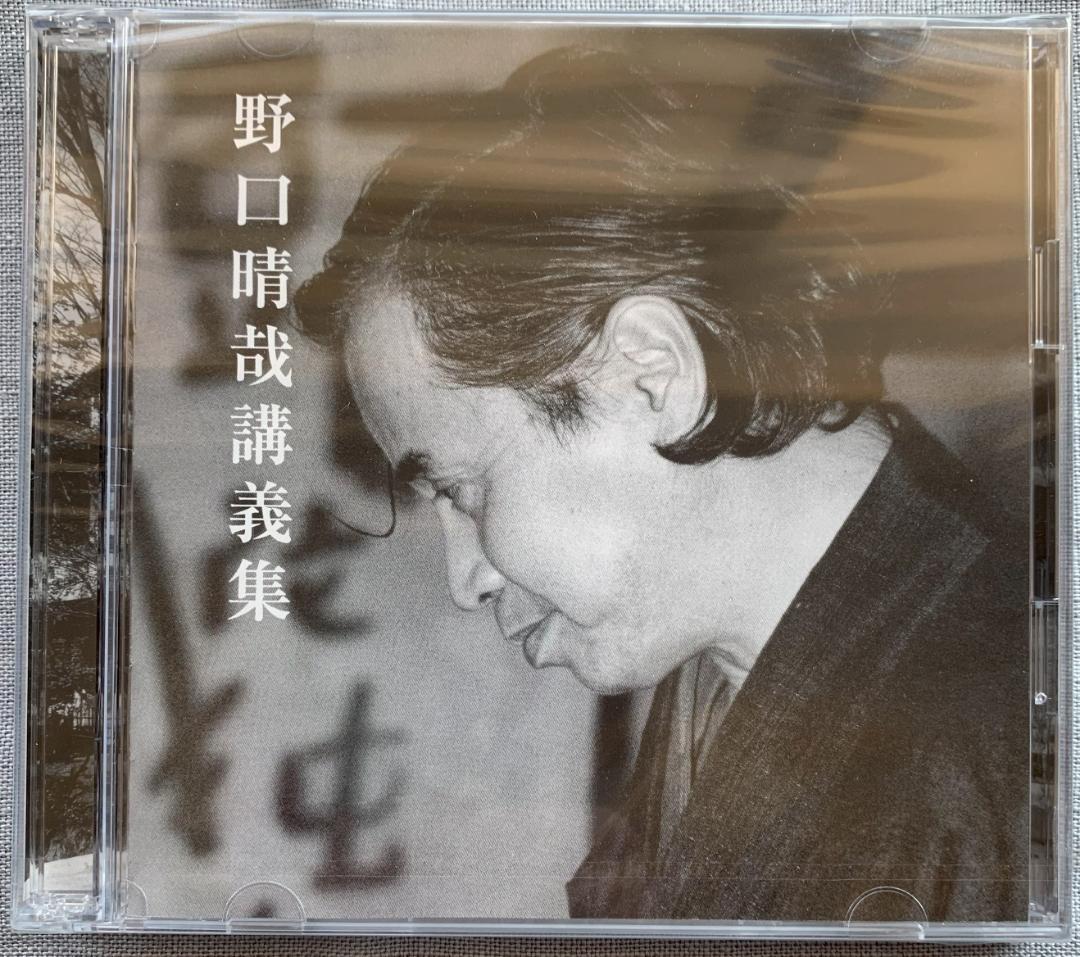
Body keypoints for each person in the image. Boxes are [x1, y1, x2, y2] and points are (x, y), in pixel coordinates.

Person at [293, 47, 1028, 923]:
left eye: (461, 487)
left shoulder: (1003, 741)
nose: (466, 580)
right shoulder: (727, 674)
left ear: (651, 374)